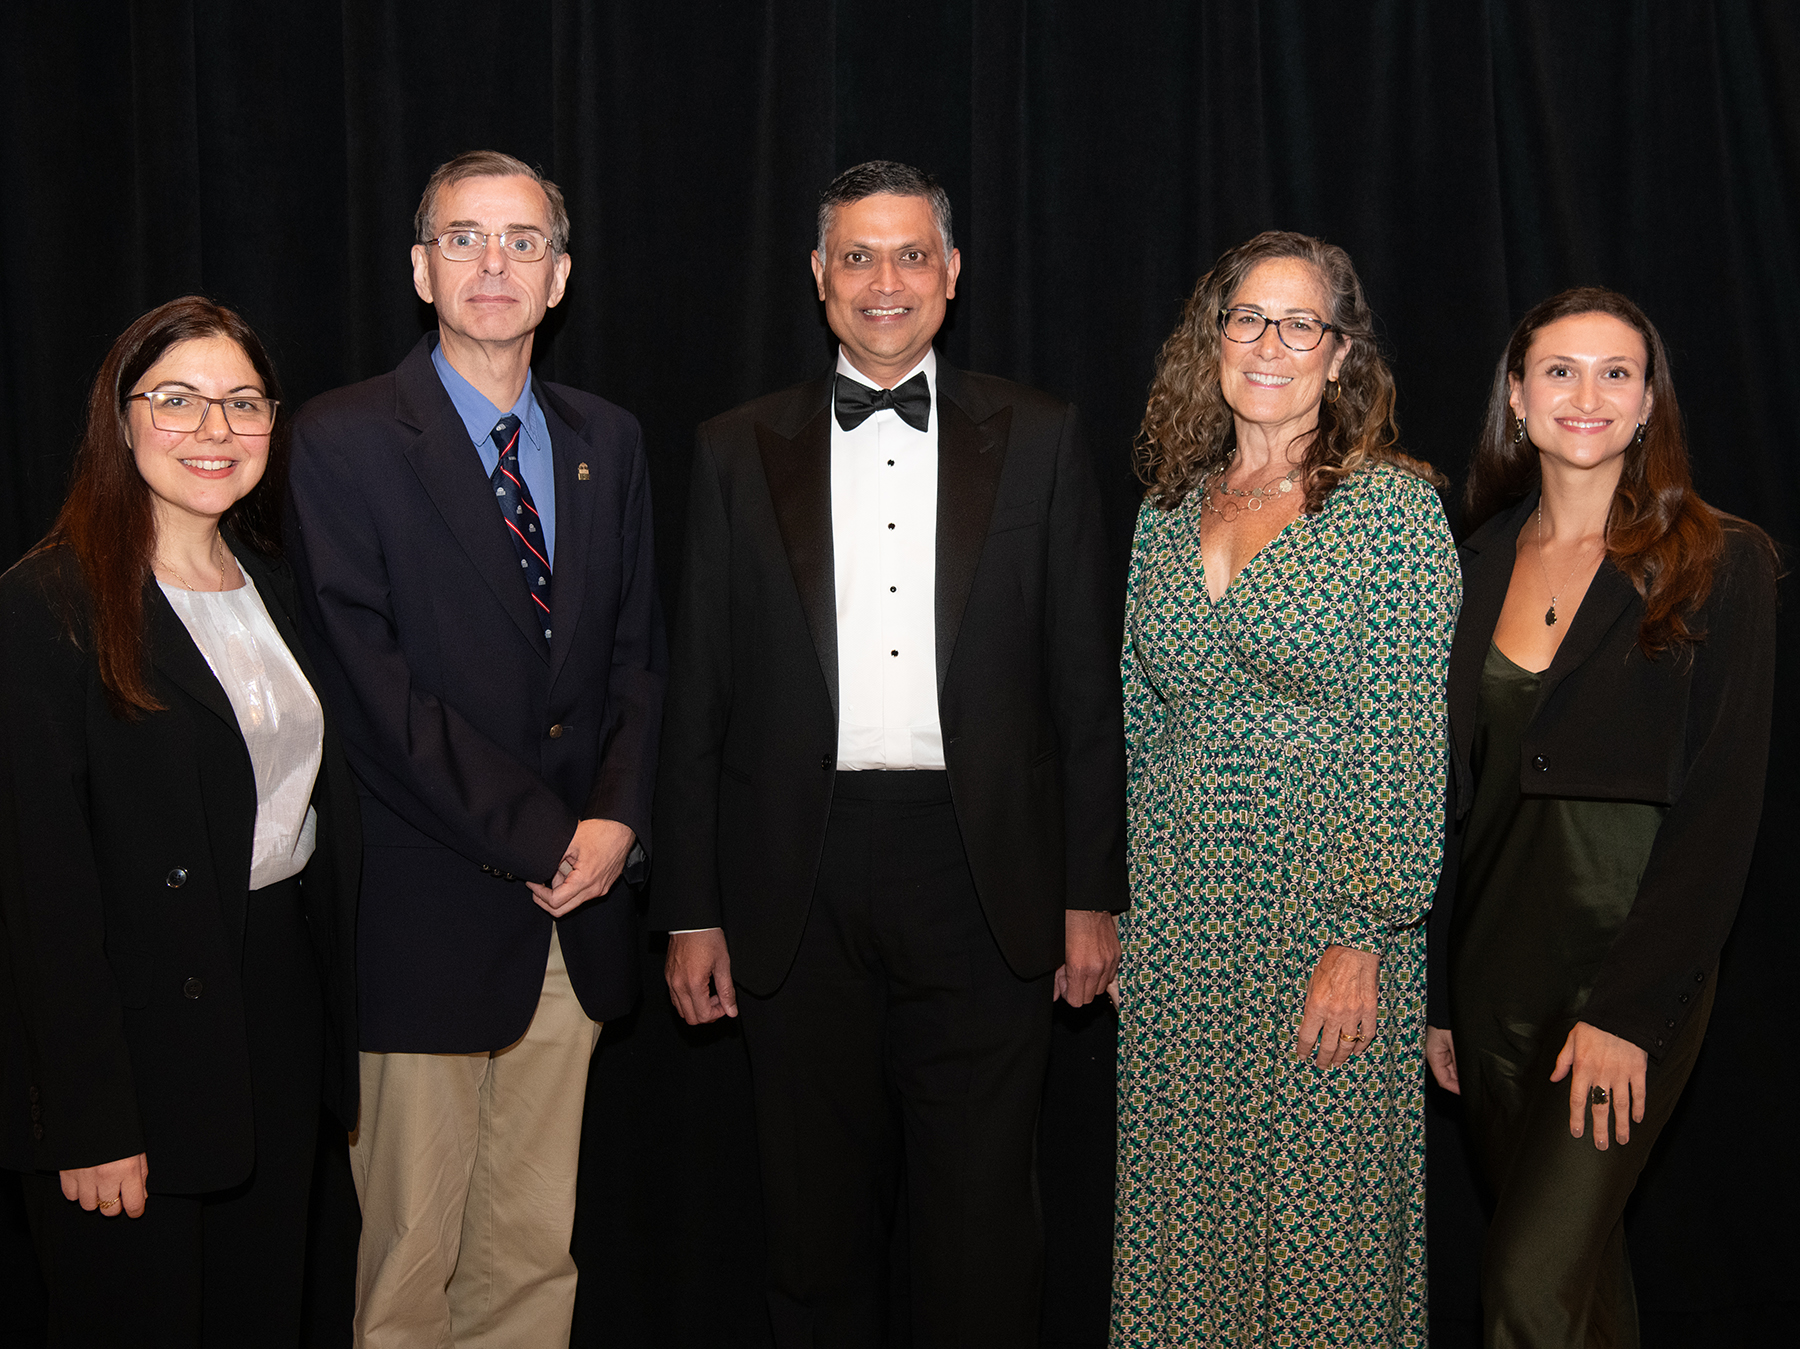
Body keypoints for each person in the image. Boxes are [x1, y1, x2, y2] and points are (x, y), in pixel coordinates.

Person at [653, 159, 1126, 1347]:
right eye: (857, 255)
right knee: (813, 1226)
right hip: (793, 876)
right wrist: (690, 907)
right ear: (818, 276)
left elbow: (1085, 689)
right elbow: (697, 693)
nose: (884, 281)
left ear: (951, 273)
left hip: (986, 874)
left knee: (982, 1224)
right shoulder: (731, 447)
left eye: (911, 254)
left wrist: (1091, 894)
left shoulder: (1042, 435)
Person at [285, 150, 664, 1348]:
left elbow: (639, 658)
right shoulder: (341, 438)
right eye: (465, 238)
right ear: (421, 268)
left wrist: (617, 822)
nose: (494, 263)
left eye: (523, 241)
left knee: (531, 1257)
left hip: (575, 917)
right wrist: (556, 835)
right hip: (422, 916)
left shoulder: (610, 439)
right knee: (410, 1264)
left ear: (560, 276)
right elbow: (372, 692)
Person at [1112, 230, 1459, 1346]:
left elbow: (1405, 740)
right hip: (1181, 927)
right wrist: (1132, 911)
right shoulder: (1167, 511)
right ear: (1212, 341)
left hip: (1326, 922)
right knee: (1183, 1217)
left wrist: (1364, 931)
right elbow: (1140, 723)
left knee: (1322, 1233)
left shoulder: (1391, 513)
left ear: (1341, 353)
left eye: (1300, 324)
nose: (1270, 345)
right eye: (1248, 319)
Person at [0, 296, 360, 1346]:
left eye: (243, 402)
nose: (215, 429)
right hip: (131, 1037)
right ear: (120, 419)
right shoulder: (47, 603)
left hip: (274, 1011)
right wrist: (88, 1118)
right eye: (178, 400)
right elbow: (40, 895)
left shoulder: (275, 583)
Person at [1423, 287, 1777, 1347]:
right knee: (1581, 1291)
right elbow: (1444, 802)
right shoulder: (1468, 564)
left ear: (1649, 400)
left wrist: (1631, 1011)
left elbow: (1721, 812)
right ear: (1517, 397)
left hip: (1625, 969)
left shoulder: (1723, 560)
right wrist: (1438, 996)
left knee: (1527, 1290)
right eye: (1560, 370)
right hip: (1493, 981)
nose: (1588, 393)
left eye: (1616, 371)